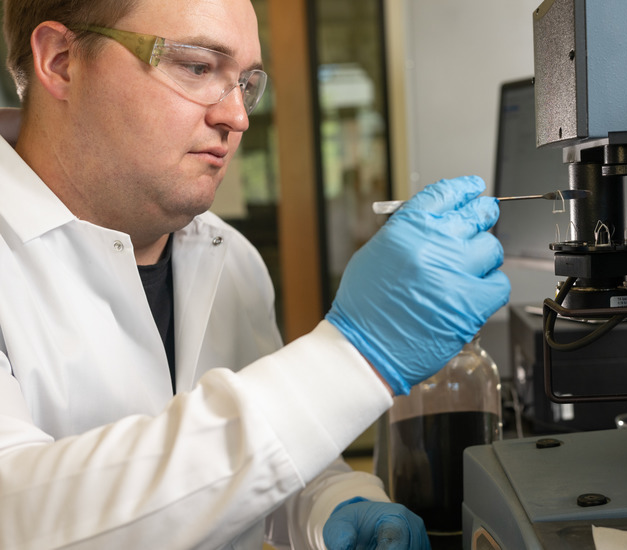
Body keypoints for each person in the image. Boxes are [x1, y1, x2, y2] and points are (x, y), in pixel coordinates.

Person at [0, 0, 510, 548]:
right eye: (198, 67)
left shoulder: (230, 256)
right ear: (61, 61)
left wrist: (332, 504)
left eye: (245, 82)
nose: (237, 117)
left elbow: (266, 464)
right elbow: (19, 512)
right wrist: (351, 358)